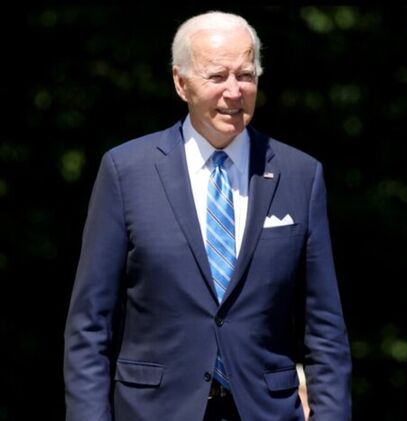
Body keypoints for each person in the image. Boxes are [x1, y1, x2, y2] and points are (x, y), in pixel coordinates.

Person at [63, 11, 351, 421]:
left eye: (246, 75)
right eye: (217, 76)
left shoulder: (300, 174)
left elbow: (324, 329)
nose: (234, 91)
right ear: (181, 82)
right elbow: (90, 324)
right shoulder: (127, 171)